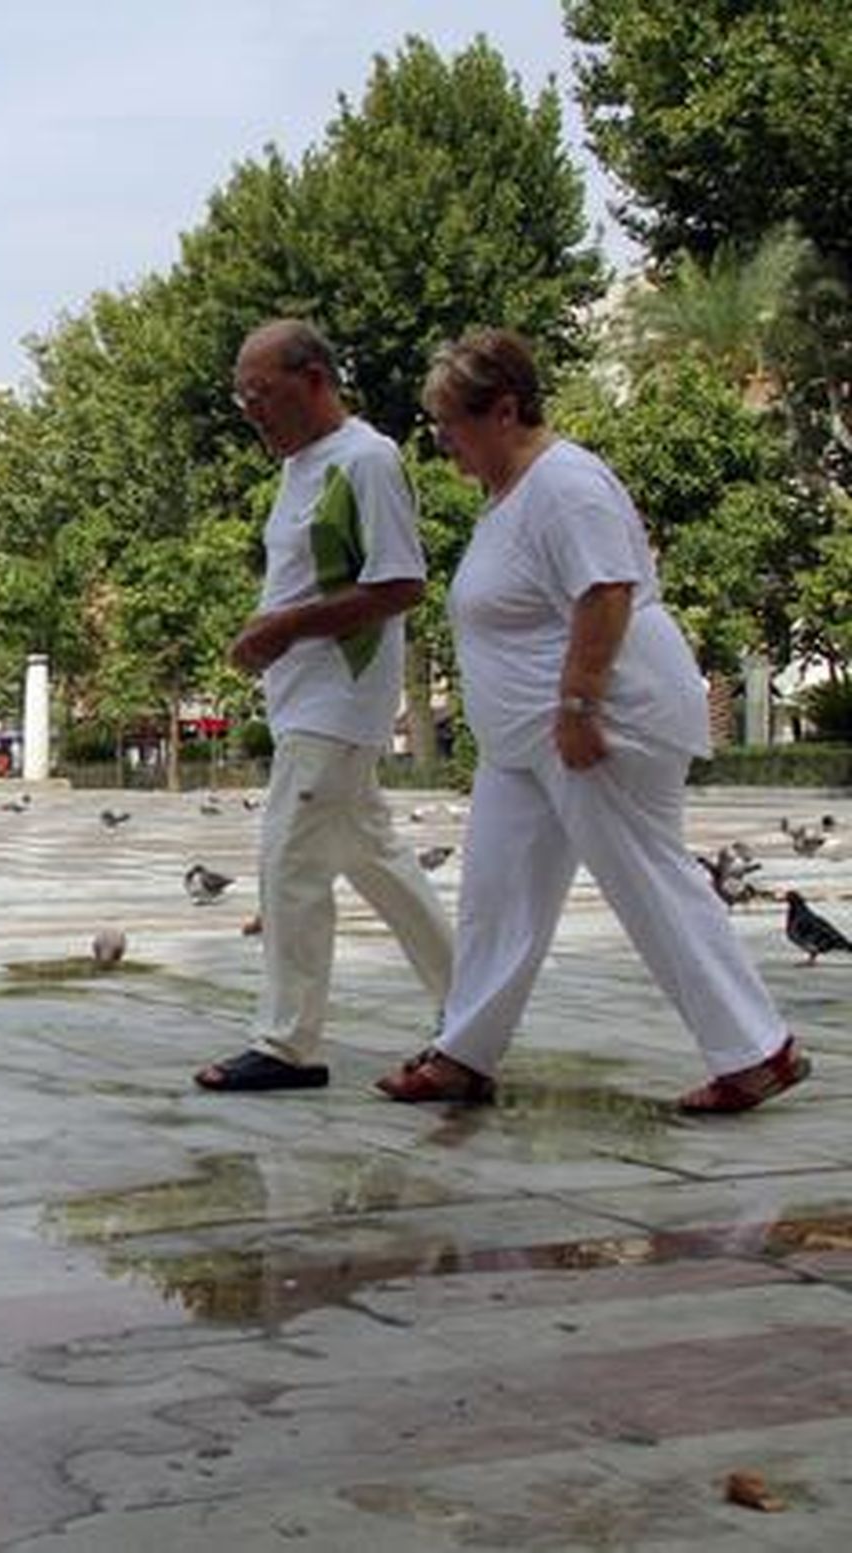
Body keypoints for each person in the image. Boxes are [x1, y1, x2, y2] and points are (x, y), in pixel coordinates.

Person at [375, 328, 808, 1113]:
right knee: (496, 896)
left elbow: (606, 591)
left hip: (599, 720)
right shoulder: (510, 494)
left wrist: (579, 703)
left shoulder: (565, 484)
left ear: (505, 410)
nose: (445, 446)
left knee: (648, 881)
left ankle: (757, 1050)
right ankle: (464, 1051)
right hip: (521, 742)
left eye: (451, 426)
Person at [195, 319, 454, 1092]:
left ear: (314, 380)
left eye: (262, 394)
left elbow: (401, 583)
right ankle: (473, 1009)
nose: (252, 412)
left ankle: (287, 1043)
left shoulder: (366, 460)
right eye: (242, 399)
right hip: (304, 698)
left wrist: (285, 627)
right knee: (379, 860)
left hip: (340, 699)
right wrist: (271, 631)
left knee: (290, 859)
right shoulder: (300, 469)